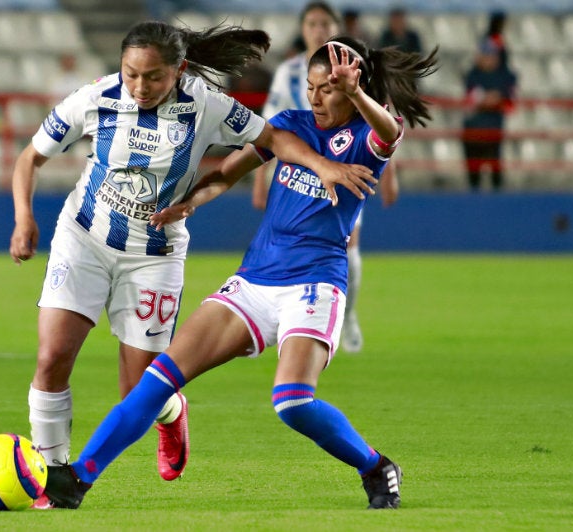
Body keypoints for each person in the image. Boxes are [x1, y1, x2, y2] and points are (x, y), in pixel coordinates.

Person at [42, 35, 438, 511]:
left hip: (313, 285)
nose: (314, 98)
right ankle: (77, 480)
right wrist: (193, 201)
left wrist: (354, 93)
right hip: (253, 282)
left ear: (353, 90)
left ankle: (375, 466)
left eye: (326, 90)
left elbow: (390, 133)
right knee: (155, 380)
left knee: (291, 402)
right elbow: (228, 172)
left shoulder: (366, 139)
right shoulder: (292, 124)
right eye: (310, 88)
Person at [255, 1, 399, 354]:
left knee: (348, 245)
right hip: (297, 170)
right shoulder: (288, 72)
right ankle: (288, 314)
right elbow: (269, 128)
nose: (317, 29)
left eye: (324, 23)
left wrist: (389, 173)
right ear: (303, 29)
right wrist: (260, 178)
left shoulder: (356, 76)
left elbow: (383, 132)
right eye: (312, 23)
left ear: (335, 28)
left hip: (347, 168)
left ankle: (345, 314)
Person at [461, 38, 516, 191]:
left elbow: (509, 101)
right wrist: (489, 99)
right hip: (473, 131)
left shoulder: (505, 75)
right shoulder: (473, 74)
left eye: (491, 55)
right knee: (474, 175)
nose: (487, 58)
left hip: (494, 131)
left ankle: (498, 202)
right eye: (484, 54)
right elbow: (472, 98)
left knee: (496, 173)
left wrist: (490, 99)